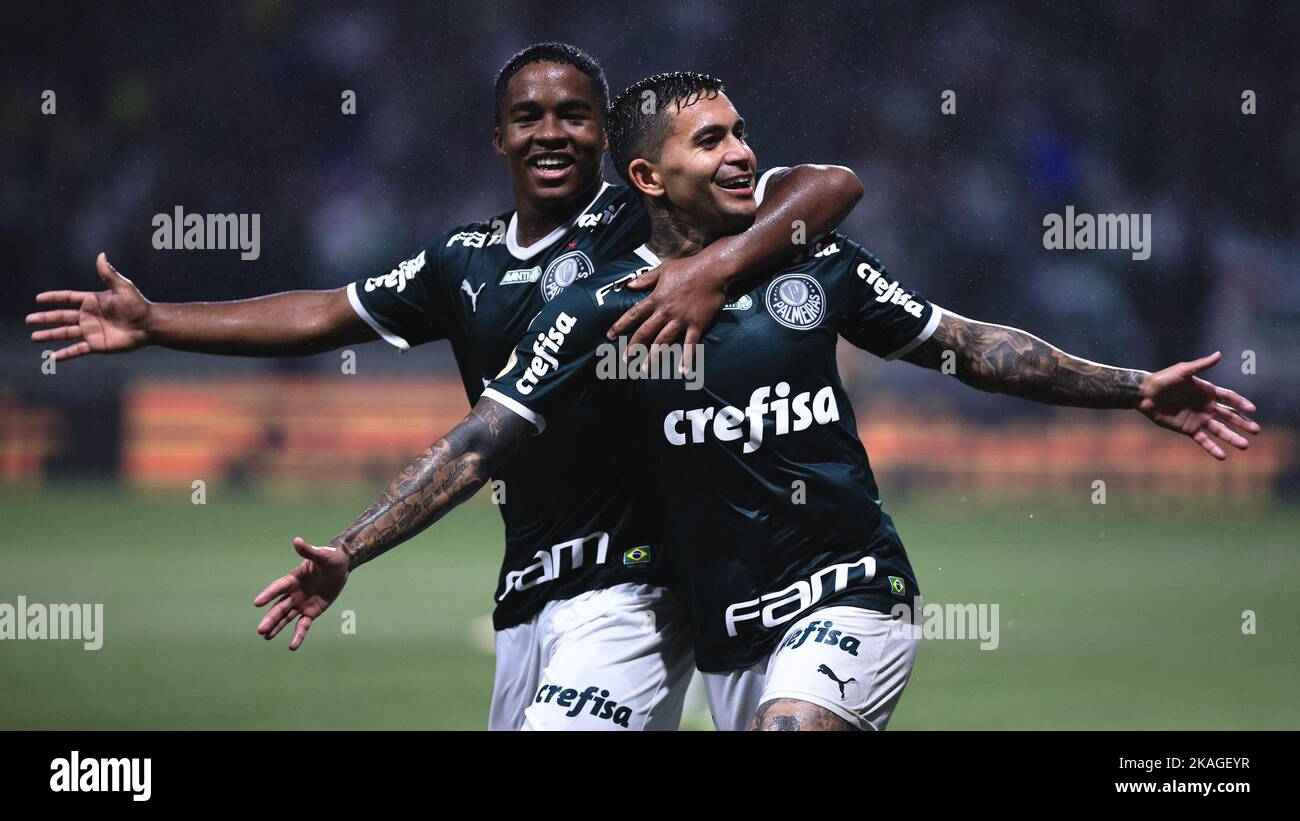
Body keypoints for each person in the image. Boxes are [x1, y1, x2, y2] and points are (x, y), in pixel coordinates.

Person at [294, 71, 1259, 731]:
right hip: (725, 630)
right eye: (710, 139)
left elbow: (965, 344)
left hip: (851, 586)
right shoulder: (597, 308)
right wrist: (350, 547)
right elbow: (482, 437)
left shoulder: (812, 259)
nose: (740, 152)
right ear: (645, 176)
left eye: (742, 132)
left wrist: (1133, 386)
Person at [27, 44, 865, 731]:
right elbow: (325, 313)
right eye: (527, 117)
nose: (553, 133)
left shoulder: (645, 223)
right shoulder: (462, 260)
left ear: (612, 146)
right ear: (495, 137)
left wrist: (709, 271)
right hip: (528, 586)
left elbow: (823, 187)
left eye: (575, 116)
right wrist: (156, 322)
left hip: (640, 586)